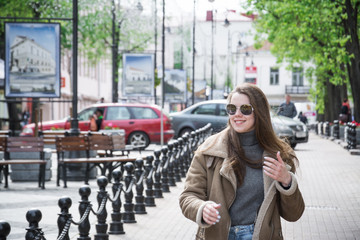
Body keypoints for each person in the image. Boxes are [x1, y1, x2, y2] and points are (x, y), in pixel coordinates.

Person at [179, 83, 304, 240]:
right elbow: (188, 196)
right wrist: (201, 208)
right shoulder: (209, 149)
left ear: (259, 113)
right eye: (232, 109)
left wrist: (287, 181)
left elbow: (294, 214)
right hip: (217, 234)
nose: (237, 114)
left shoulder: (279, 155)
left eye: (245, 109)